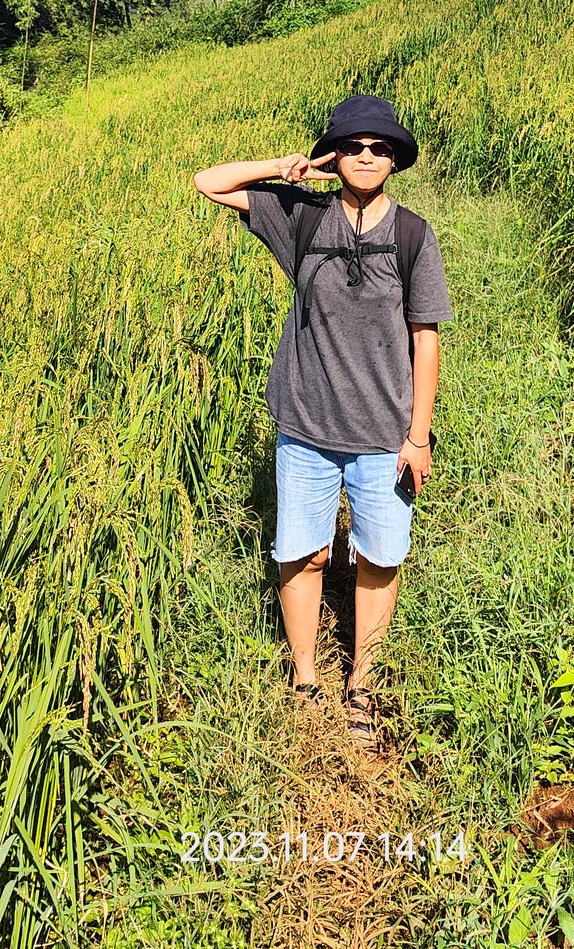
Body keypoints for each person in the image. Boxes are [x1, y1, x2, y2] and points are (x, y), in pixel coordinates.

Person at [193, 94, 451, 751]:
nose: (366, 156)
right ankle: (305, 679)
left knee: (378, 558)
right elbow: (208, 181)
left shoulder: (413, 235)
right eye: (353, 145)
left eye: (379, 147)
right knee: (303, 555)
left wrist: (417, 436)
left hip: (382, 434)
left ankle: (361, 683)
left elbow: (426, 338)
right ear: (333, 155)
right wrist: (283, 168)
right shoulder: (296, 216)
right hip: (305, 424)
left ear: (394, 160)